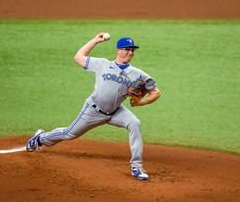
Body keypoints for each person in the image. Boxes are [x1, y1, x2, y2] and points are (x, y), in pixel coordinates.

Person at [26, 33, 160, 180]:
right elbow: (78, 57)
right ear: (118, 50)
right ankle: (40, 138)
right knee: (69, 133)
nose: (130, 52)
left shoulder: (137, 74)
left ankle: (137, 166)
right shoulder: (102, 64)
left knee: (135, 123)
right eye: (127, 49)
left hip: (116, 111)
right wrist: (96, 40)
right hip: (93, 110)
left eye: (133, 50)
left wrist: (142, 102)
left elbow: (155, 92)